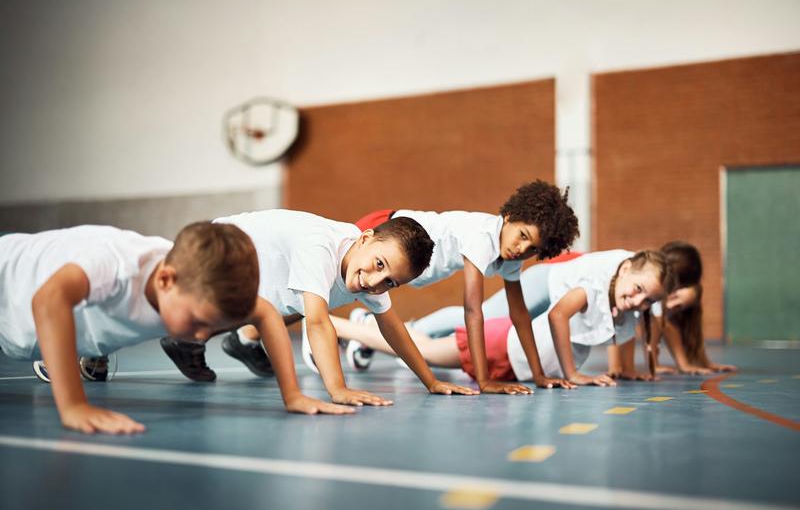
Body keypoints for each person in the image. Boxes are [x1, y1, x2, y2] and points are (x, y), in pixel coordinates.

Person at [0, 222, 349, 435]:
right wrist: (74, 405)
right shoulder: (116, 264)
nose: (200, 337)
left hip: (22, 331)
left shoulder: (194, 286)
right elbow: (48, 301)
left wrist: (293, 395)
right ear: (166, 280)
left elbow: (267, 313)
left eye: (212, 326)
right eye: (198, 322)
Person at [161, 209, 477, 405]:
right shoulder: (319, 246)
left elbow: (393, 327)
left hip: (262, 281)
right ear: (365, 238)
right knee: (168, 312)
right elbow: (317, 323)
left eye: (390, 282)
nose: (375, 282)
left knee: (272, 305)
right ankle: (141, 342)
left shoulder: (367, 270)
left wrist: (431, 381)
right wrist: (338, 389)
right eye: (379, 265)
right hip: (216, 252)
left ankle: (205, 342)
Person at [339, 180, 580, 395]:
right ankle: (325, 327)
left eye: (533, 249)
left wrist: (539, 376)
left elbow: (520, 315)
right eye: (523, 235)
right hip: (385, 229)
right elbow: (473, 311)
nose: (521, 249)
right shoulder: (482, 235)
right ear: (509, 216)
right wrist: (484, 381)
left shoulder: (510, 258)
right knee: (333, 284)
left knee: (351, 292)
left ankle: (359, 326)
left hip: (409, 267)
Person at [332, 249, 673, 387]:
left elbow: (631, 334)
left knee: (424, 350)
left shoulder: (627, 306)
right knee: (427, 346)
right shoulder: (596, 286)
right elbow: (558, 316)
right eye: (641, 290)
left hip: (512, 357)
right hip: (532, 301)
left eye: (650, 300)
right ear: (627, 268)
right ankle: (353, 326)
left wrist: (633, 370)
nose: (641, 301)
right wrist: (573, 373)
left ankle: (373, 329)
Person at [611, 241, 737, 377]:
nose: (672, 307)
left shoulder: (689, 291)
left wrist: (699, 362)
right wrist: (617, 366)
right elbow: (617, 323)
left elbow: (679, 325)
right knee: (643, 319)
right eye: (674, 298)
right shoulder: (650, 284)